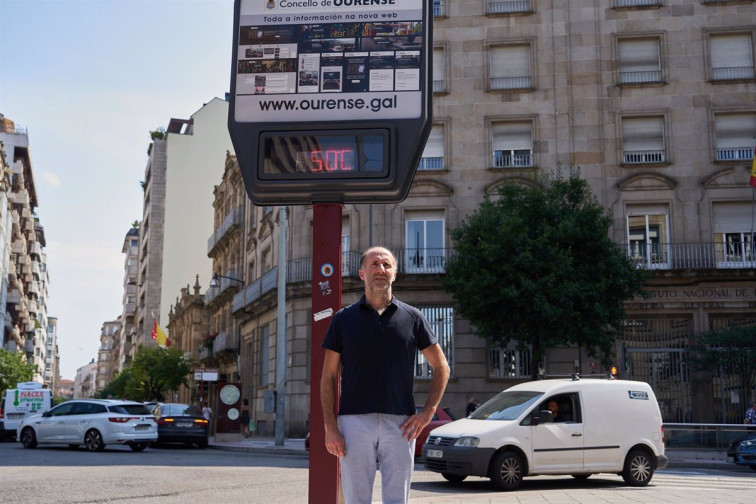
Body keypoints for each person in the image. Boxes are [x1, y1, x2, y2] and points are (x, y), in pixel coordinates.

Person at [321, 246, 450, 504]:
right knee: (357, 500)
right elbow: (329, 377)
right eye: (374, 264)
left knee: (396, 500)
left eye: (386, 265)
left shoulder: (413, 318)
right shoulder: (343, 319)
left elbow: (441, 367)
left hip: (401, 422)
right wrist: (330, 427)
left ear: (395, 273)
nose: (381, 269)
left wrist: (427, 413)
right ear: (361, 273)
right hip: (353, 421)